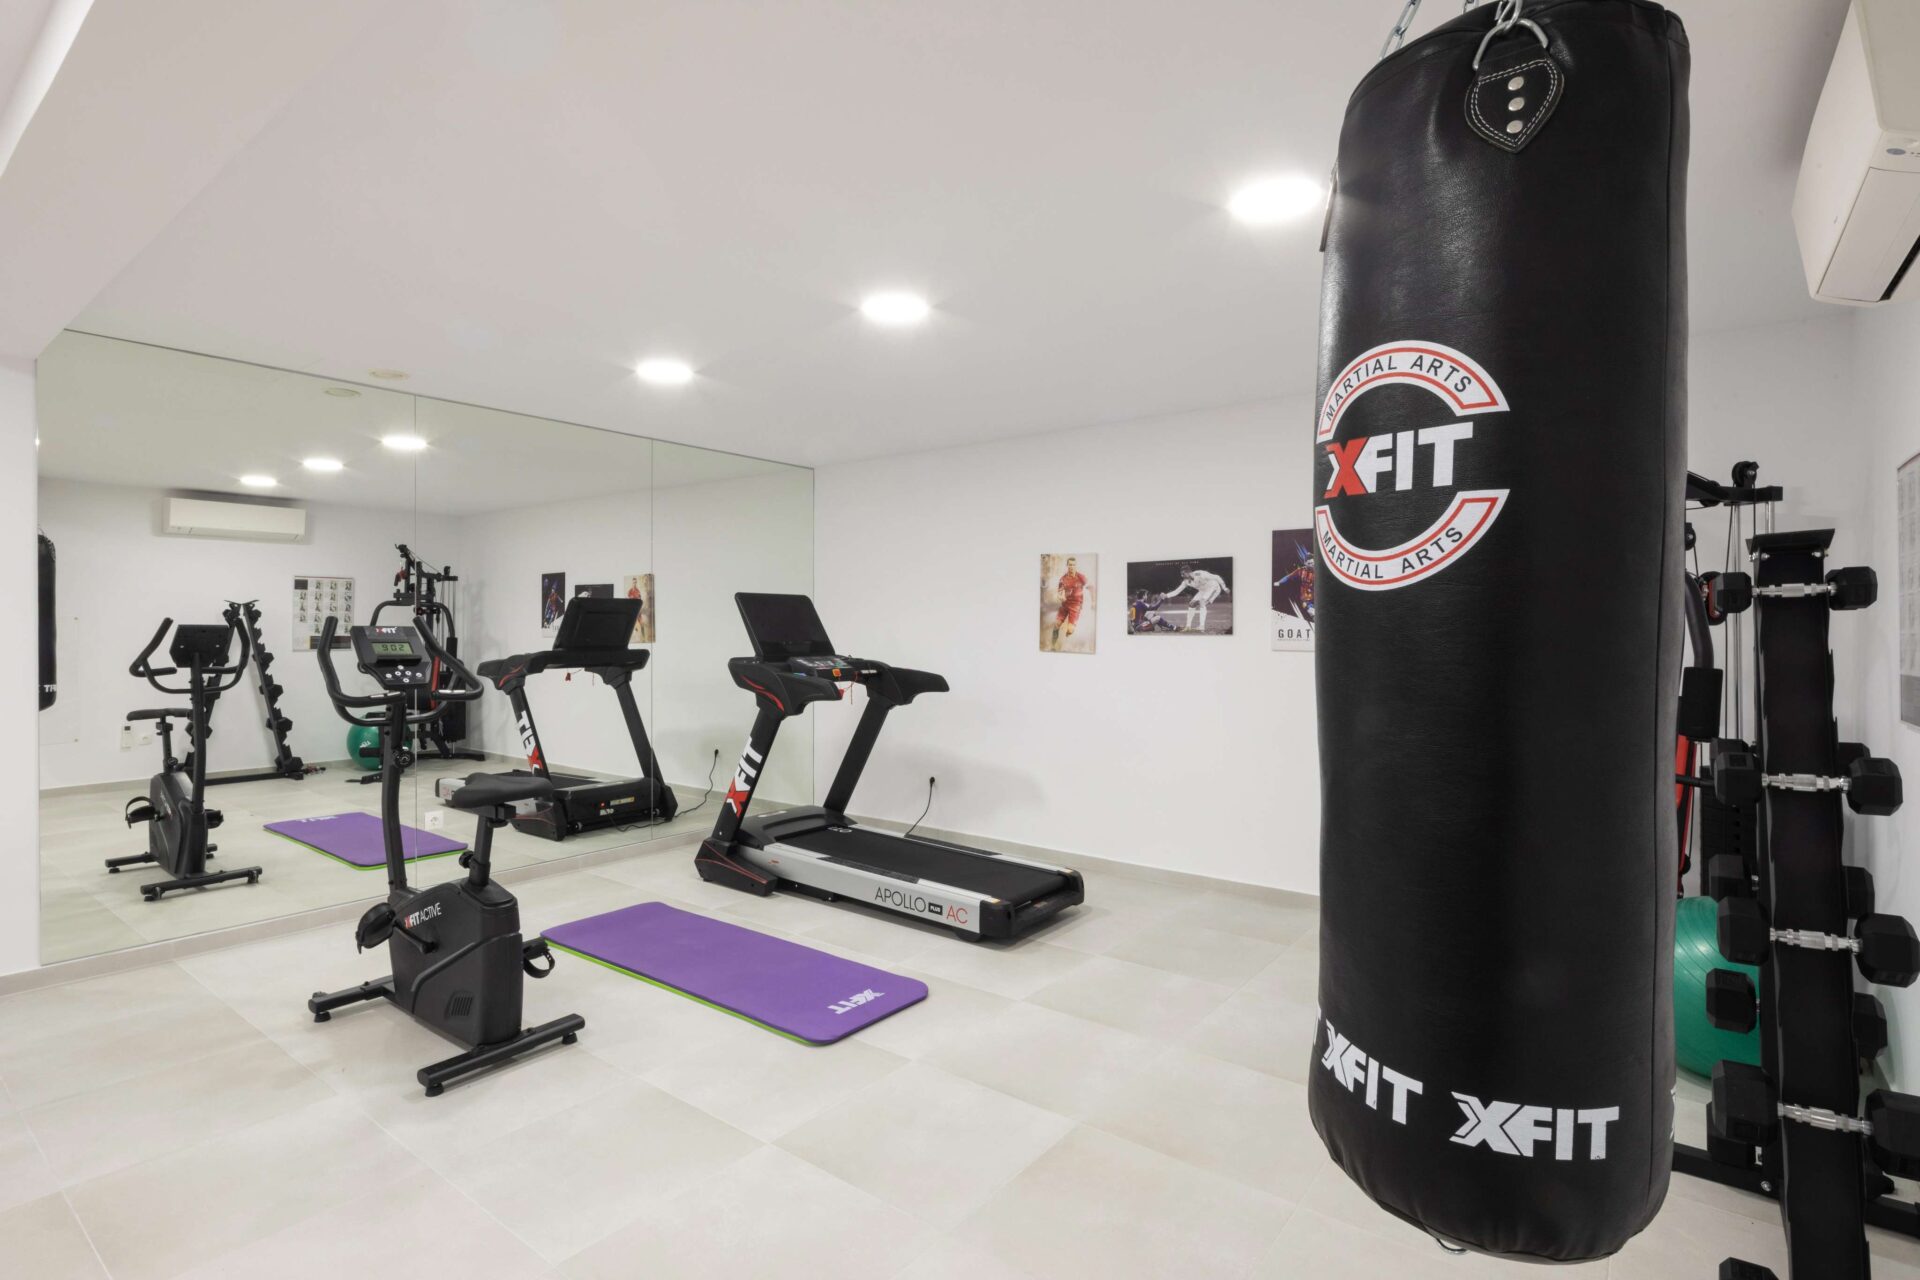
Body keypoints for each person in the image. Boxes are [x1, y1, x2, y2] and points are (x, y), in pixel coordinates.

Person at [1161, 563, 1231, 632]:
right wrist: (1166, 595)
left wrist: (1224, 588)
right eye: (1181, 574)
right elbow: (1177, 591)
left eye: (1183, 574)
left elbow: (1217, 577)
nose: (1182, 575)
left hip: (1213, 587)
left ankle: (1201, 626)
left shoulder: (1200, 574)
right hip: (1203, 590)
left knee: (1202, 602)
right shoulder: (1186, 581)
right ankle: (1188, 626)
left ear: (1188, 572)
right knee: (1191, 604)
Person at [1048, 556, 1089, 651]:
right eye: (1070, 565)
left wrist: (1090, 601)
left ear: (1076, 566)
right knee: (1056, 625)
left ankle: (1065, 642)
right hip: (1065, 605)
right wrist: (1061, 597)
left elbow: (1089, 586)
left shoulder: (1081, 577)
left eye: (1073, 565)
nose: (1071, 566)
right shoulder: (1063, 579)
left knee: (1070, 631)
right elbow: (1060, 592)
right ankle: (1052, 647)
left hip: (1076, 605)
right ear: (1067, 565)